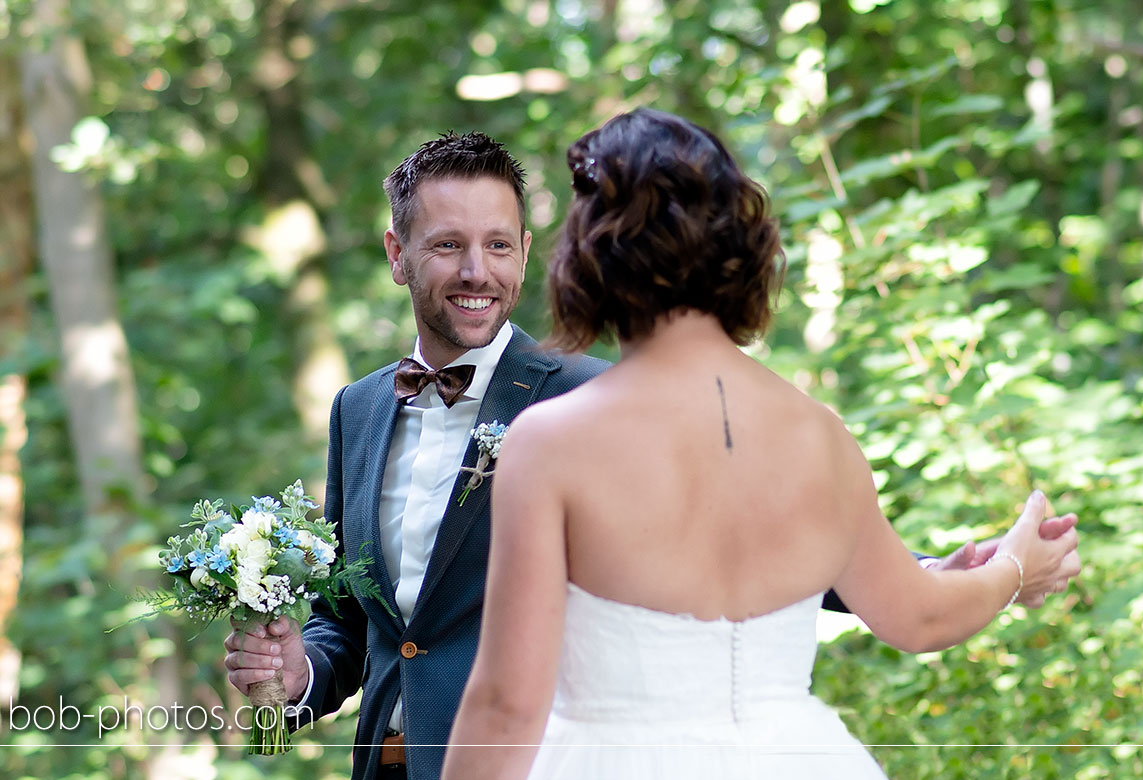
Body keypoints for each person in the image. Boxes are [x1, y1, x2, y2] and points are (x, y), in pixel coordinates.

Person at [441, 108, 1082, 780]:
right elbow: (917, 619)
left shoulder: (550, 442)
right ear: (740, 249)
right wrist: (1014, 568)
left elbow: (509, 706)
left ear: (591, 255)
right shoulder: (820, 434)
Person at [223, 131, 608, 780]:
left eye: (498, 245)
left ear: (525, 254)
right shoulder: (358, 408)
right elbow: (348, 625)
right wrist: (300, 673)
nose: (476, 272)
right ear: (397, 255)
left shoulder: (588, 396)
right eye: (448, 245)